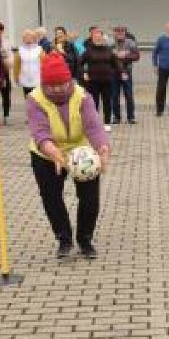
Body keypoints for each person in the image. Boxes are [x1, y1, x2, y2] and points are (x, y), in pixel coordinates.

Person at [27, 52, 111, 259]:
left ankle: (85, 240)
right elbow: (40, 131)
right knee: (51, 198)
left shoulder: (82, 96)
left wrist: (102, 148)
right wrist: (53, 151)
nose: (58, 89)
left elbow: (93, 125)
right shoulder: (34, 99)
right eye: (52, 86)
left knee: (90, 199)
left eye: (62, 84)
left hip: (81, 153)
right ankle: (64, 239)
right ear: (44, 84)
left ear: (69, 80)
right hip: (46, 153)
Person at [80, 27, 122, 130]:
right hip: (93, 81)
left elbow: (116, 63)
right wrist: (84, 73)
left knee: (107, 101)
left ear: (103, 38)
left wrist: (119, 72)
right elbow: (80, 64)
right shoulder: (88, 50)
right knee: (94, 102)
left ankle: (107, 123)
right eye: (95, 36)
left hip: (107, 80)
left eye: (99, 36)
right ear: (92, 38)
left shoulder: (108, 50)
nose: (98, 38)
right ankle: (95, 123)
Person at [111, 26, 140, 125]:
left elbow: (137, 56)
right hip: (113, 73)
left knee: (129, 95)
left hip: (127, 72)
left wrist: (125, 55)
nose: (119, 33)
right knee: (114, 96)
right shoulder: (110, 43)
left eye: (122, 32)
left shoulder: (130, 42)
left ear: (125, 33)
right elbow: (107, 56)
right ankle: (116, 117)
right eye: (117, 32)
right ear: (114, 33)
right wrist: (115, 55)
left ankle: (131, 117)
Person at [15, 29, 44, 99]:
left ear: (34, 38)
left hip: (37, 79)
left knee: (38, 100)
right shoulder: (20, 50)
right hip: (25, 79)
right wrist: (16, 77)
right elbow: (16, 65)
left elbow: (44, 64)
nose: (28, 39)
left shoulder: (39, 49)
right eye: (26, 37)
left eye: (30, 37)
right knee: (28, 100)